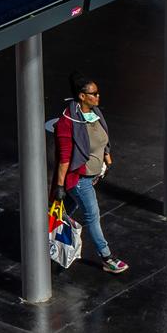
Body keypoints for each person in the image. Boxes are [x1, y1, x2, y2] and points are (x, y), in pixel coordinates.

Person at [53, 73, 129, 274]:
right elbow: (65, 159)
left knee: (65, 211)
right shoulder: (67, 123)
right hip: (79, 180)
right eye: (93, 94)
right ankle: (107, 258)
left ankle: (45, 236)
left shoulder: (95, 113)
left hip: (93, 176)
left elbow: (103, 140)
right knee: (92, 215)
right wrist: (60, 186)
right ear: (81, 96)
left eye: (97, 93)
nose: (98, 97)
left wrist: (107, 160)